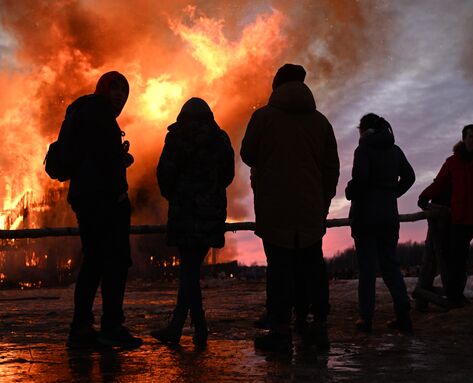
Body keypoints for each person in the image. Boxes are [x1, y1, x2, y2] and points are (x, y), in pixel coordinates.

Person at [241, 63, 339, 351]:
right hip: (310, 208)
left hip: (275, 208)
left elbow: (247, 154)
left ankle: (280, 327)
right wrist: (322, 202)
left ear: (276, 86)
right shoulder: (321, 123)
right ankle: (317, 321)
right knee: (312, 265)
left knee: (280, 267)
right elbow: (331, 167)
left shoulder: (263, 118)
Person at [66, 71, 141, 348]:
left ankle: (82, 328)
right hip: (104, 201)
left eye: (124, 90)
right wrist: (119, 190)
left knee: (94, 262)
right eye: (115, 89)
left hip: (87, 197)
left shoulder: (86, 112)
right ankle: (111, 326)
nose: (120, 95)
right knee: (115, 263)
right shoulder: (99, 115)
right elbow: (102, 161)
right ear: (103, 90)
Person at [151, 97, 234, 346]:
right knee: (191, 269)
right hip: (211, 213)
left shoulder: (177, 136)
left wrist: (175, 195)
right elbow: (227, 175)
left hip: (184, 211)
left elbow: (164, 173)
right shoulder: (220, 138)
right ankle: (189, 327)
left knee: (188, 269)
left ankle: (190, 327)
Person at [418, 124, 473, 308]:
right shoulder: (453, 162)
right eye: (472, 136)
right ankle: (455, 296)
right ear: (464, 138)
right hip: (461, 218)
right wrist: (425, 195)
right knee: (456, 260)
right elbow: (440, 182)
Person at [345, 113, 415, 335]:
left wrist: (350, 191)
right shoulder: (395, 150)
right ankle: (403, 316)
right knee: (390, 266)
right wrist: (391, 194)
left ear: (363, 130)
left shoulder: (363, 149)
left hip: (366, 215)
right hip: (388, 215)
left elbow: (361, 179)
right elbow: (410, 177)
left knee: (367, 269)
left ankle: (366, 319)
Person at [412, 186, 452, 311]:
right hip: (449, 214)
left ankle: (451, 295)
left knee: (436, 256)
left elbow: (440, 182)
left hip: (444, 215)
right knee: (438, 257)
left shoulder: (450, 172)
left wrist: (423, 198)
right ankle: (453, 293)